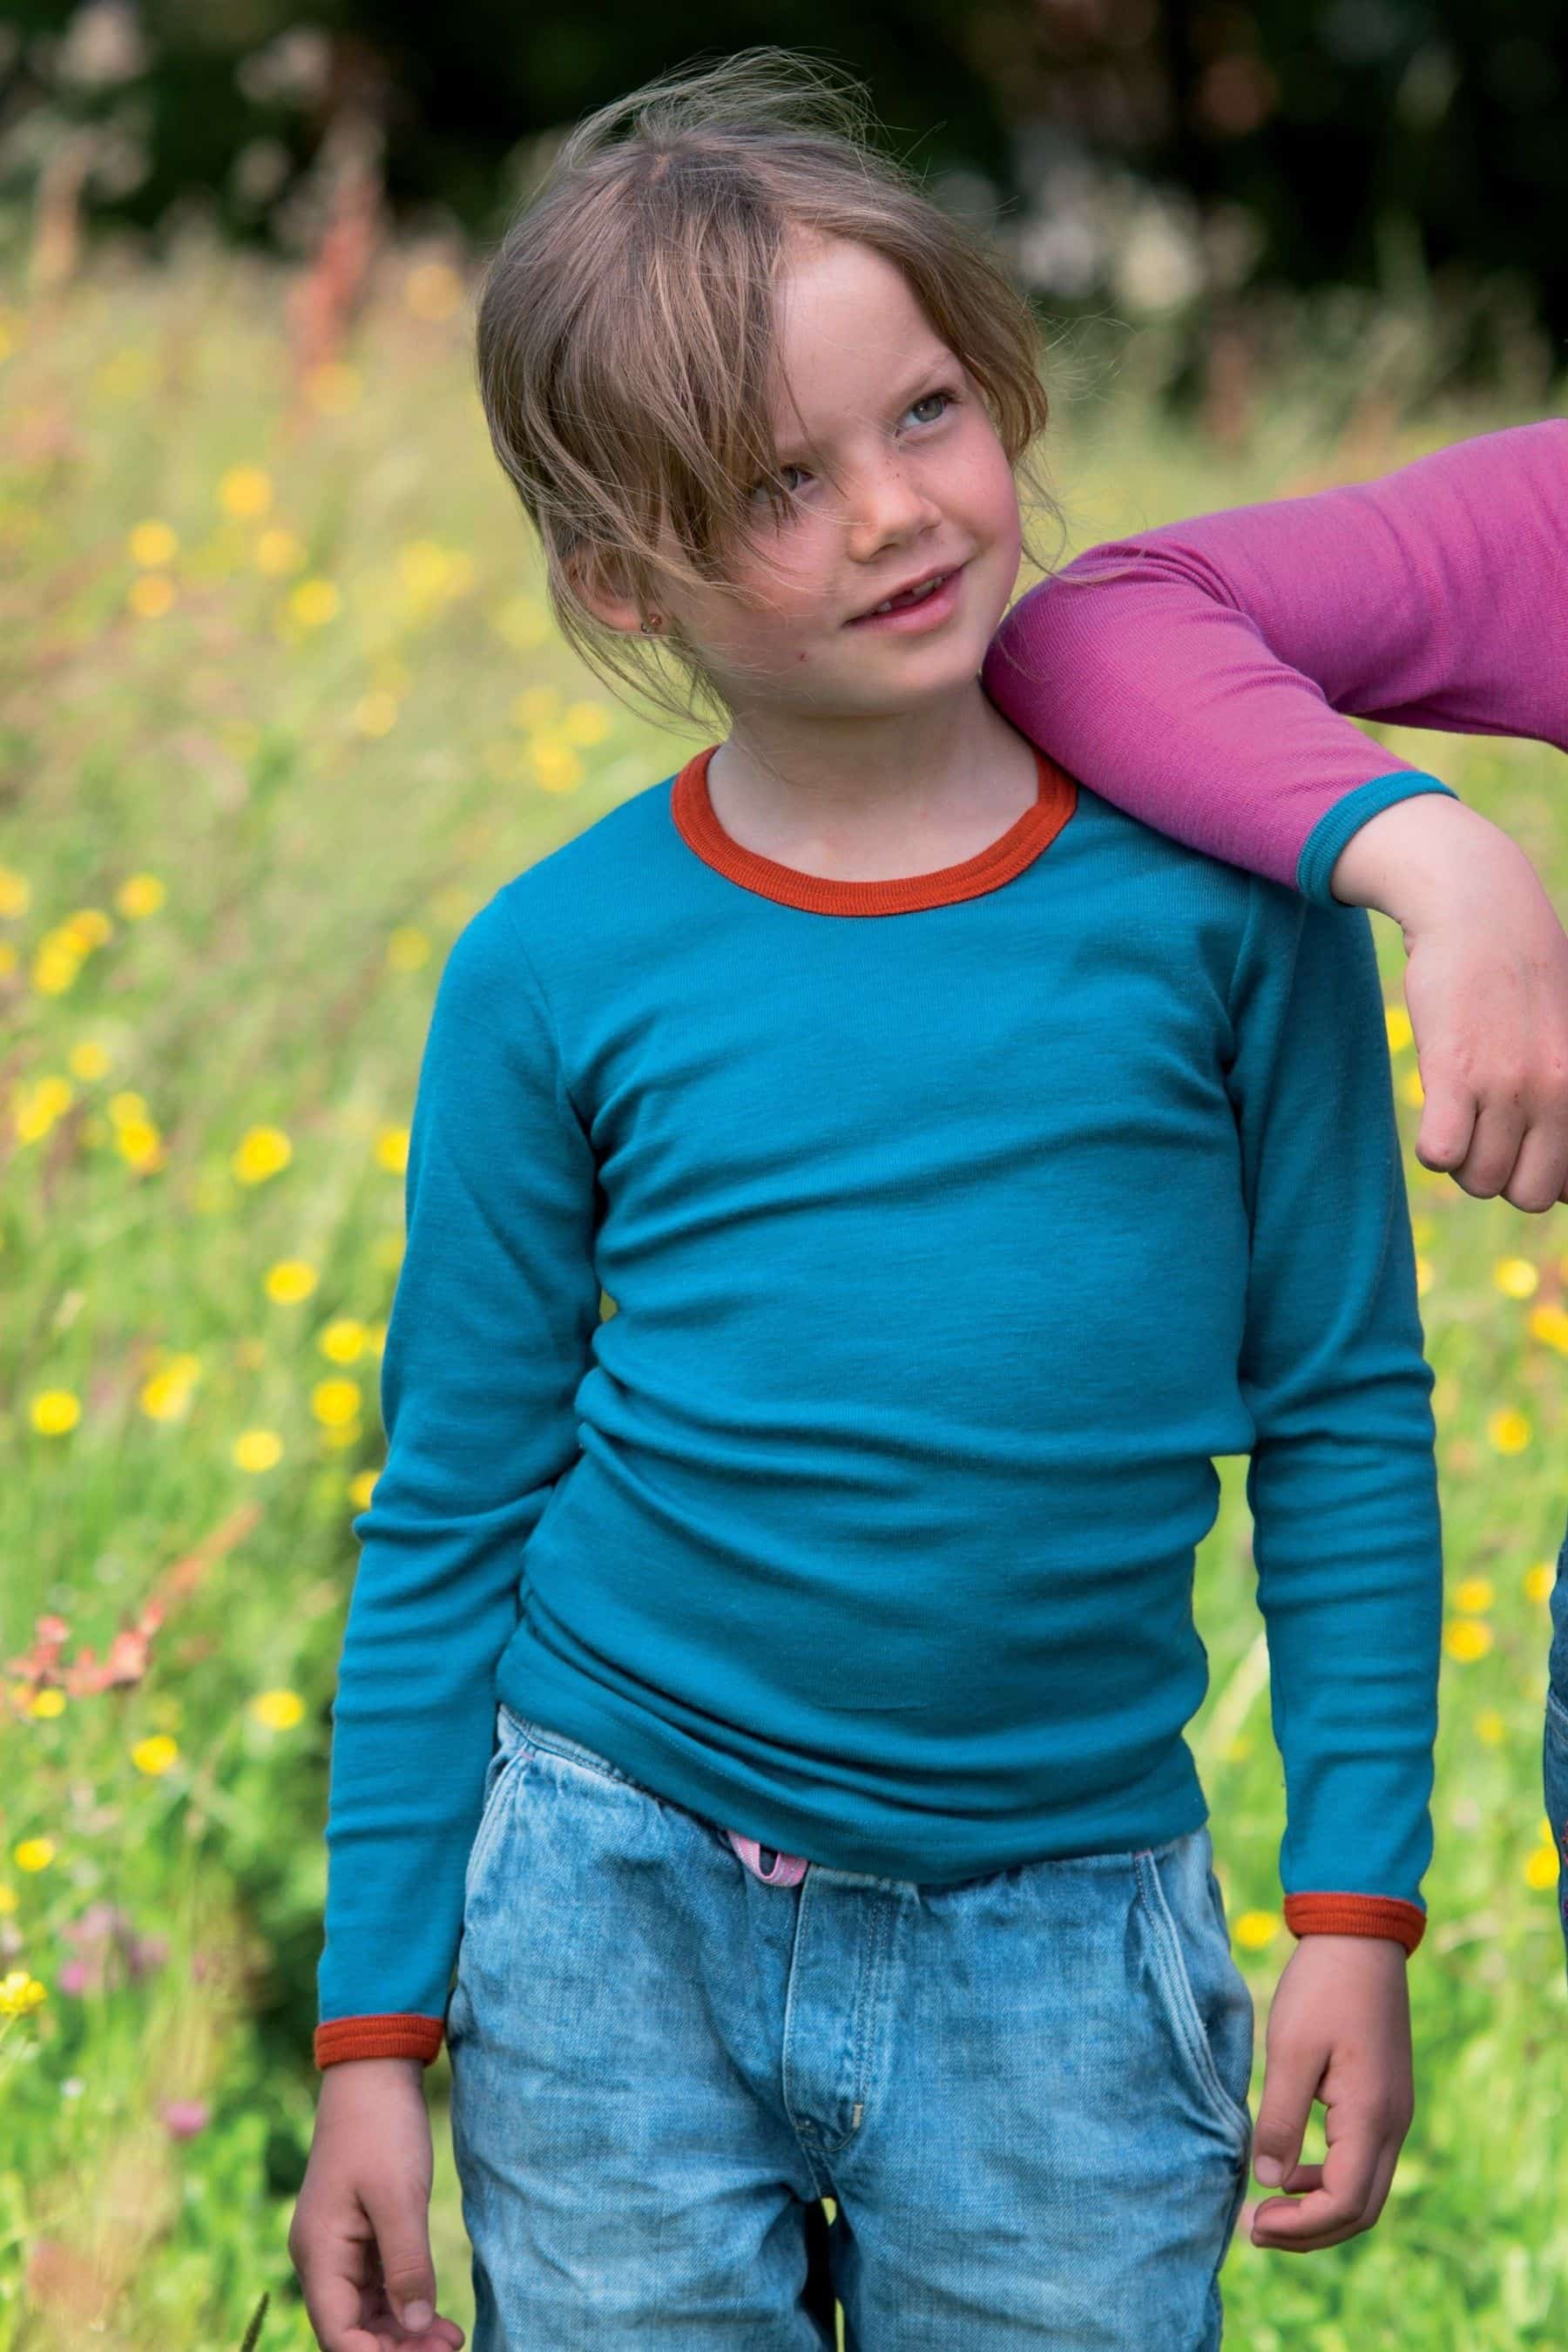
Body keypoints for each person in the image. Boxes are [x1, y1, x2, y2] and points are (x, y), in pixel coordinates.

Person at [286, 46, 1566, 2352]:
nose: (897, 511)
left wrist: (1357, 1909)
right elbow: (453, 1499)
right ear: (617, 571)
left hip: (1070, 1949)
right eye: (779, 483)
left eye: (928, 414)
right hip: (611, 1906)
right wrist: (380, 2039)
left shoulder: (1226, 913)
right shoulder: (557, 968)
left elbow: (1348, 1419)